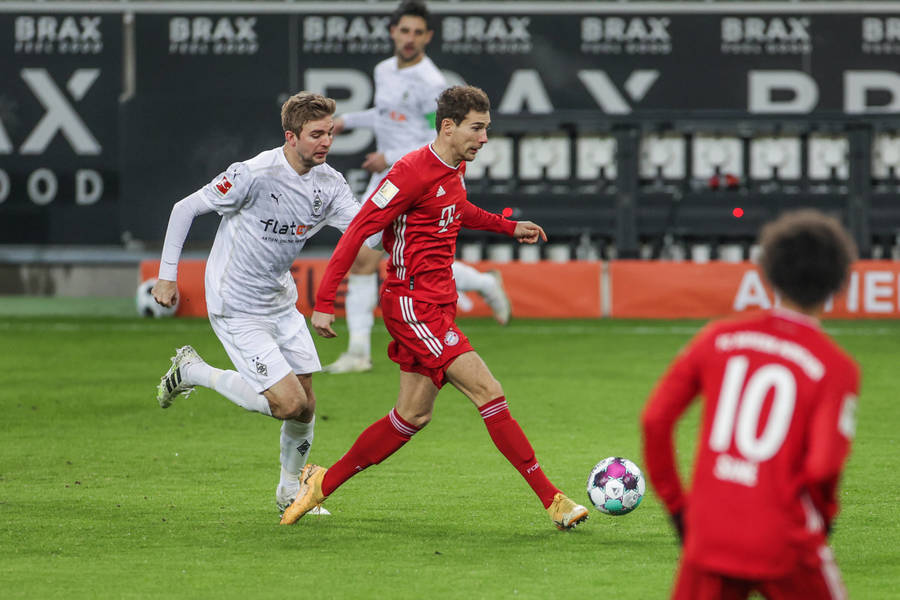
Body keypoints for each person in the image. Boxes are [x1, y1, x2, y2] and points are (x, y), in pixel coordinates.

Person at [280, 85, 589, 531]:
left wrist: (507, 226)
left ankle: (322, 481)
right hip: (412, 306)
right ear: (448, 126)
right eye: (477, 128)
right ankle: (553, 500)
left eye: (486, 129)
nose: (484, 139)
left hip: (438, 304)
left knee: (412, 416)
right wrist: (325, 302)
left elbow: (457, 209)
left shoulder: (453, 168)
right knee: (490, 391)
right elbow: (357, 233)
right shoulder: (408, 172)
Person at [151, 92, 380, 518]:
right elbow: (184, 209)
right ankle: (194, 371)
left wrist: (413, 224)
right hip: (236, 304)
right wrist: (167, 276)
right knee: (288, 404)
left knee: (307, 402)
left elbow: (368, 231)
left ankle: (289, 491)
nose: (325, 142)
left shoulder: (330, 184)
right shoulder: (252, 174)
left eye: (330, 132)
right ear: (291, 137)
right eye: (316, 134)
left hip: (279, 301)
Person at [641, 209, 860, 599]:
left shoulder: (717, 339)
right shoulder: (836, 367)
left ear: (768, 272)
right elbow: (824, 465)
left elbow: (655, 421)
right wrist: (822, 521)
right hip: (785, 538)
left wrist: (678, 508)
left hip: (709, 534)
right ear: (838, 284)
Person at [324, 0, 510, 375]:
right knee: (373, 255)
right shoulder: (383, 70)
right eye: (404, 30)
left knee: (412, 254)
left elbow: (438, 134)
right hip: (393, 173)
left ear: (428, 37)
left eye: (417, 32)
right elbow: (386, 113)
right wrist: (347, 121)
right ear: (393, 32)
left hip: (426, 174)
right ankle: (359, 349)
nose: (409, 39)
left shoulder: (432, 83)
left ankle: (481, 282)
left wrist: (390, 154)